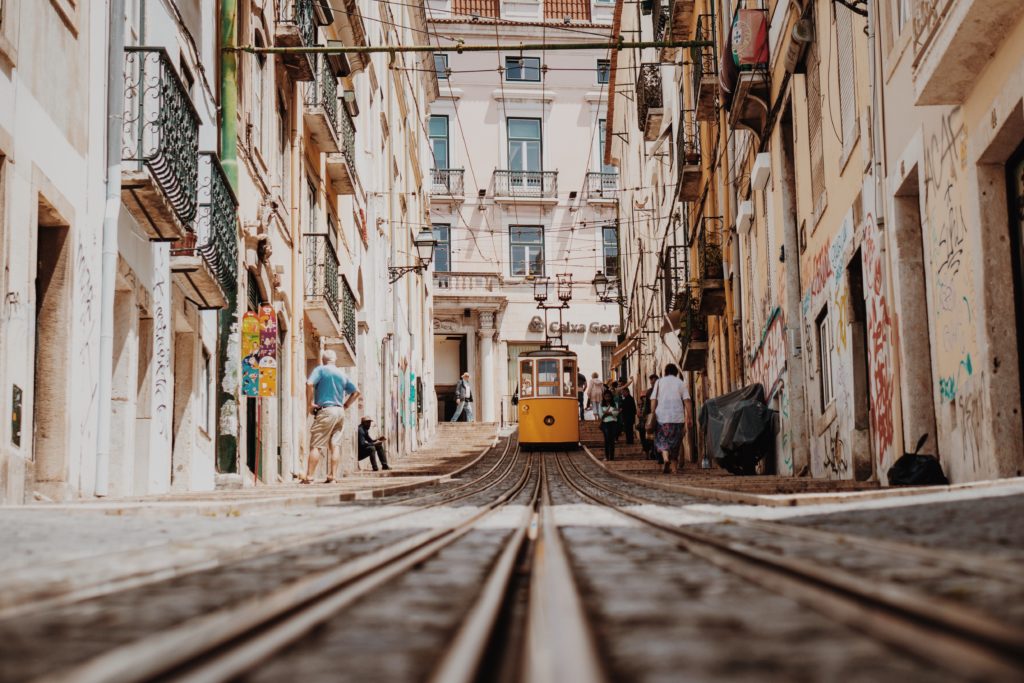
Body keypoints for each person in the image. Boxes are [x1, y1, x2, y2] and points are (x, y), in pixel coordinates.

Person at [303, 349, 360, 484]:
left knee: (316, 445)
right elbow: (356, 392)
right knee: (335, 445)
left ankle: (310, 477)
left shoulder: (321, 370)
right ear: (335, 360)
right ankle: (333, 476)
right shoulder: (342, 374)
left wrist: (310, 403)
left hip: (326, 410)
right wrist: (345, 406)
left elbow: (309, 383)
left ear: (323, 359)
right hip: (339, 411)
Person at [648, 364, 693, 474]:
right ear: (676, 373)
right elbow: (687, 400)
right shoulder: (680, 383)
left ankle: (665, 459)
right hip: (677, 418)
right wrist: (690, 417)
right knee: (675, 443)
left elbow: (653, 399)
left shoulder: (659, 382)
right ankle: (674, 469)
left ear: (665, 372)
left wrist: (652, 413)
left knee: (662, 440)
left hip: (662, 417)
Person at [597, 390, 621, 461]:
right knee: (607, 440)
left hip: (613, 423)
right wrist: (610, 413)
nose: (607, 398)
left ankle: (612, 457)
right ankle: (607, 456)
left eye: (609, 396)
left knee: (612, 440)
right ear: (604, 397)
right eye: (606, 396)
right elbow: (601, 415)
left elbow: (616, 413)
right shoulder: (601, 404)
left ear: (611, 397)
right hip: (605, 424)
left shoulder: (615, 403)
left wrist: (607, 413)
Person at [639, 374, 658, 460]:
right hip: (652, 417)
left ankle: (657, 453)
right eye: (651, 382)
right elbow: (647, 405)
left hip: (662, 416)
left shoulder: (662, 390)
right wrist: (646, 416)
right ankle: (652, 452)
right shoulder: (649, 392)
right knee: (651, 436)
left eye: (654, 382)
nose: (653, 384)